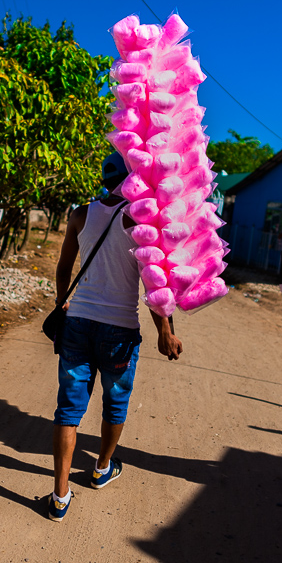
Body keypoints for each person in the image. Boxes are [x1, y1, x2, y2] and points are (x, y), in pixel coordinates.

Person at [48, 152, 184, 522]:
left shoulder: (80, 214)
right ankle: (101, 467)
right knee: (115, 402)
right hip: (119, 330)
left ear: (104, 178)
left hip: (77, 321)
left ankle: (60, 495)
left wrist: (62, 304)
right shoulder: (142, 222)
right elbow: (155, 287)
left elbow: (64, 266)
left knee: (69, 409)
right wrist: (166, 332)